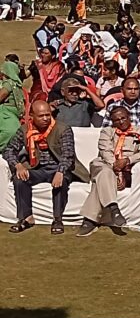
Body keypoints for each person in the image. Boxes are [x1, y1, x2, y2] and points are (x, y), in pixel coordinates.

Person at [5, 101, 87, 235]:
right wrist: (17, 165)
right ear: (32, 116)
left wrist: (60, 171)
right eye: (41, 116)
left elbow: (68, 155)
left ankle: (58, 219)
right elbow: (9, 150)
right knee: (19, 179)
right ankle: (26, 218)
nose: (45, 118)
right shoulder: (25, 130)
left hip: (59, 167)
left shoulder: (63, 129)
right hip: (37, 168)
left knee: (61, 181)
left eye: (48, 115)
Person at [78, 107, 140, 237]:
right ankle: (114, 208)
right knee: (104, 170)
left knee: (102, 178)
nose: (121, 122)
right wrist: (117, 170)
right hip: (105, 163)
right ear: (113, 122)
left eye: (123, 118)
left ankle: (90, 220)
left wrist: (128, 160)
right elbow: (105, 152)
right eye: (117, 120)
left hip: (128, 168)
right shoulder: (107, 132)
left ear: (129, 117)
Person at [102, 78, 140, 143]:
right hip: (118, 143)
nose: (133, 92)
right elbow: (106, 129)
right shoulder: (112, 107)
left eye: (136, 89)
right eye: (129, 89)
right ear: (122, 90)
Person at [0, 60, 24, 151]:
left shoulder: (16, 84)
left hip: (13, 114)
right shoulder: (8, 83)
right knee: (11, 131)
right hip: (6, 113)